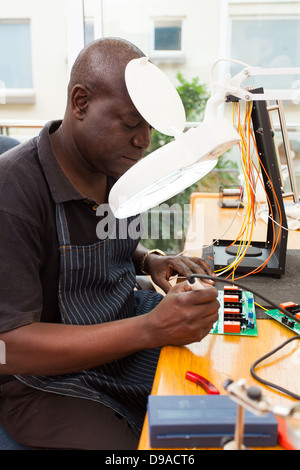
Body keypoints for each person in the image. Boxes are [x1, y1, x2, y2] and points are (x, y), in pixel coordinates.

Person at [0, 37, 219, 450]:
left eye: (150, 127)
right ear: (80, 103)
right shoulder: (14, 193)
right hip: (46, 382)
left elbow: (96, 239)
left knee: (220, 395)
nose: (144, 142)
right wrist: (149, 329)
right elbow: (8, 347)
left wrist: (149, 260)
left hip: (123, 332)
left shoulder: (116, 169)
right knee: (148, 449)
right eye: (132, 124)